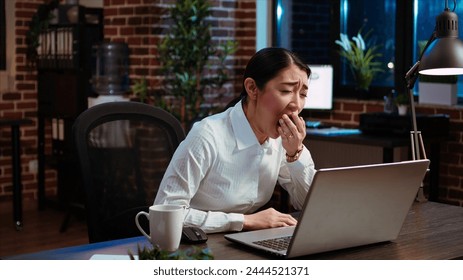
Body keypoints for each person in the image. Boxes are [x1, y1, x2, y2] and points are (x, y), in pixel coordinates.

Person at [154, 47, 316, 233]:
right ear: (252, 88)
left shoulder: (280, 141)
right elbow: (167, 212)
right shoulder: (207, 135)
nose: (296, 105)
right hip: (196, 247)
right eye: (286, 90)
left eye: (303, 94)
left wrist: (295, 154)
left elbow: (309, 204)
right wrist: (244, 221)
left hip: (242, 241)